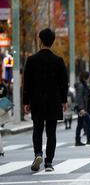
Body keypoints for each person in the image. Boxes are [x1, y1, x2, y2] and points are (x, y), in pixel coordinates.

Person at [23, 28, 68, 172]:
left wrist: (26, 101)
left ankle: (38, 154)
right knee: (51, 132)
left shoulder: (31, 60)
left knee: (37, 129)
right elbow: (63, 83)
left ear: (40, 41)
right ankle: (49, 162)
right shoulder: (58, 61)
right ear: (52, 42)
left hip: (37, 100)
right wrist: (64, 100)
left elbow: (27, 83)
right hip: (54, 101)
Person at [75, 71, 90, 146]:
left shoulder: (83, 85)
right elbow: (79, 97)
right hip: (81, 108)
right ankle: (88, 139)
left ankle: (78, 141)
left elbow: (85, 96)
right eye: (88, 77)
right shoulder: (81, 86)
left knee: (80, 125)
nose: (88, 79)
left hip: (82, 108)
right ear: (85, 77)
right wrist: (81, 109)